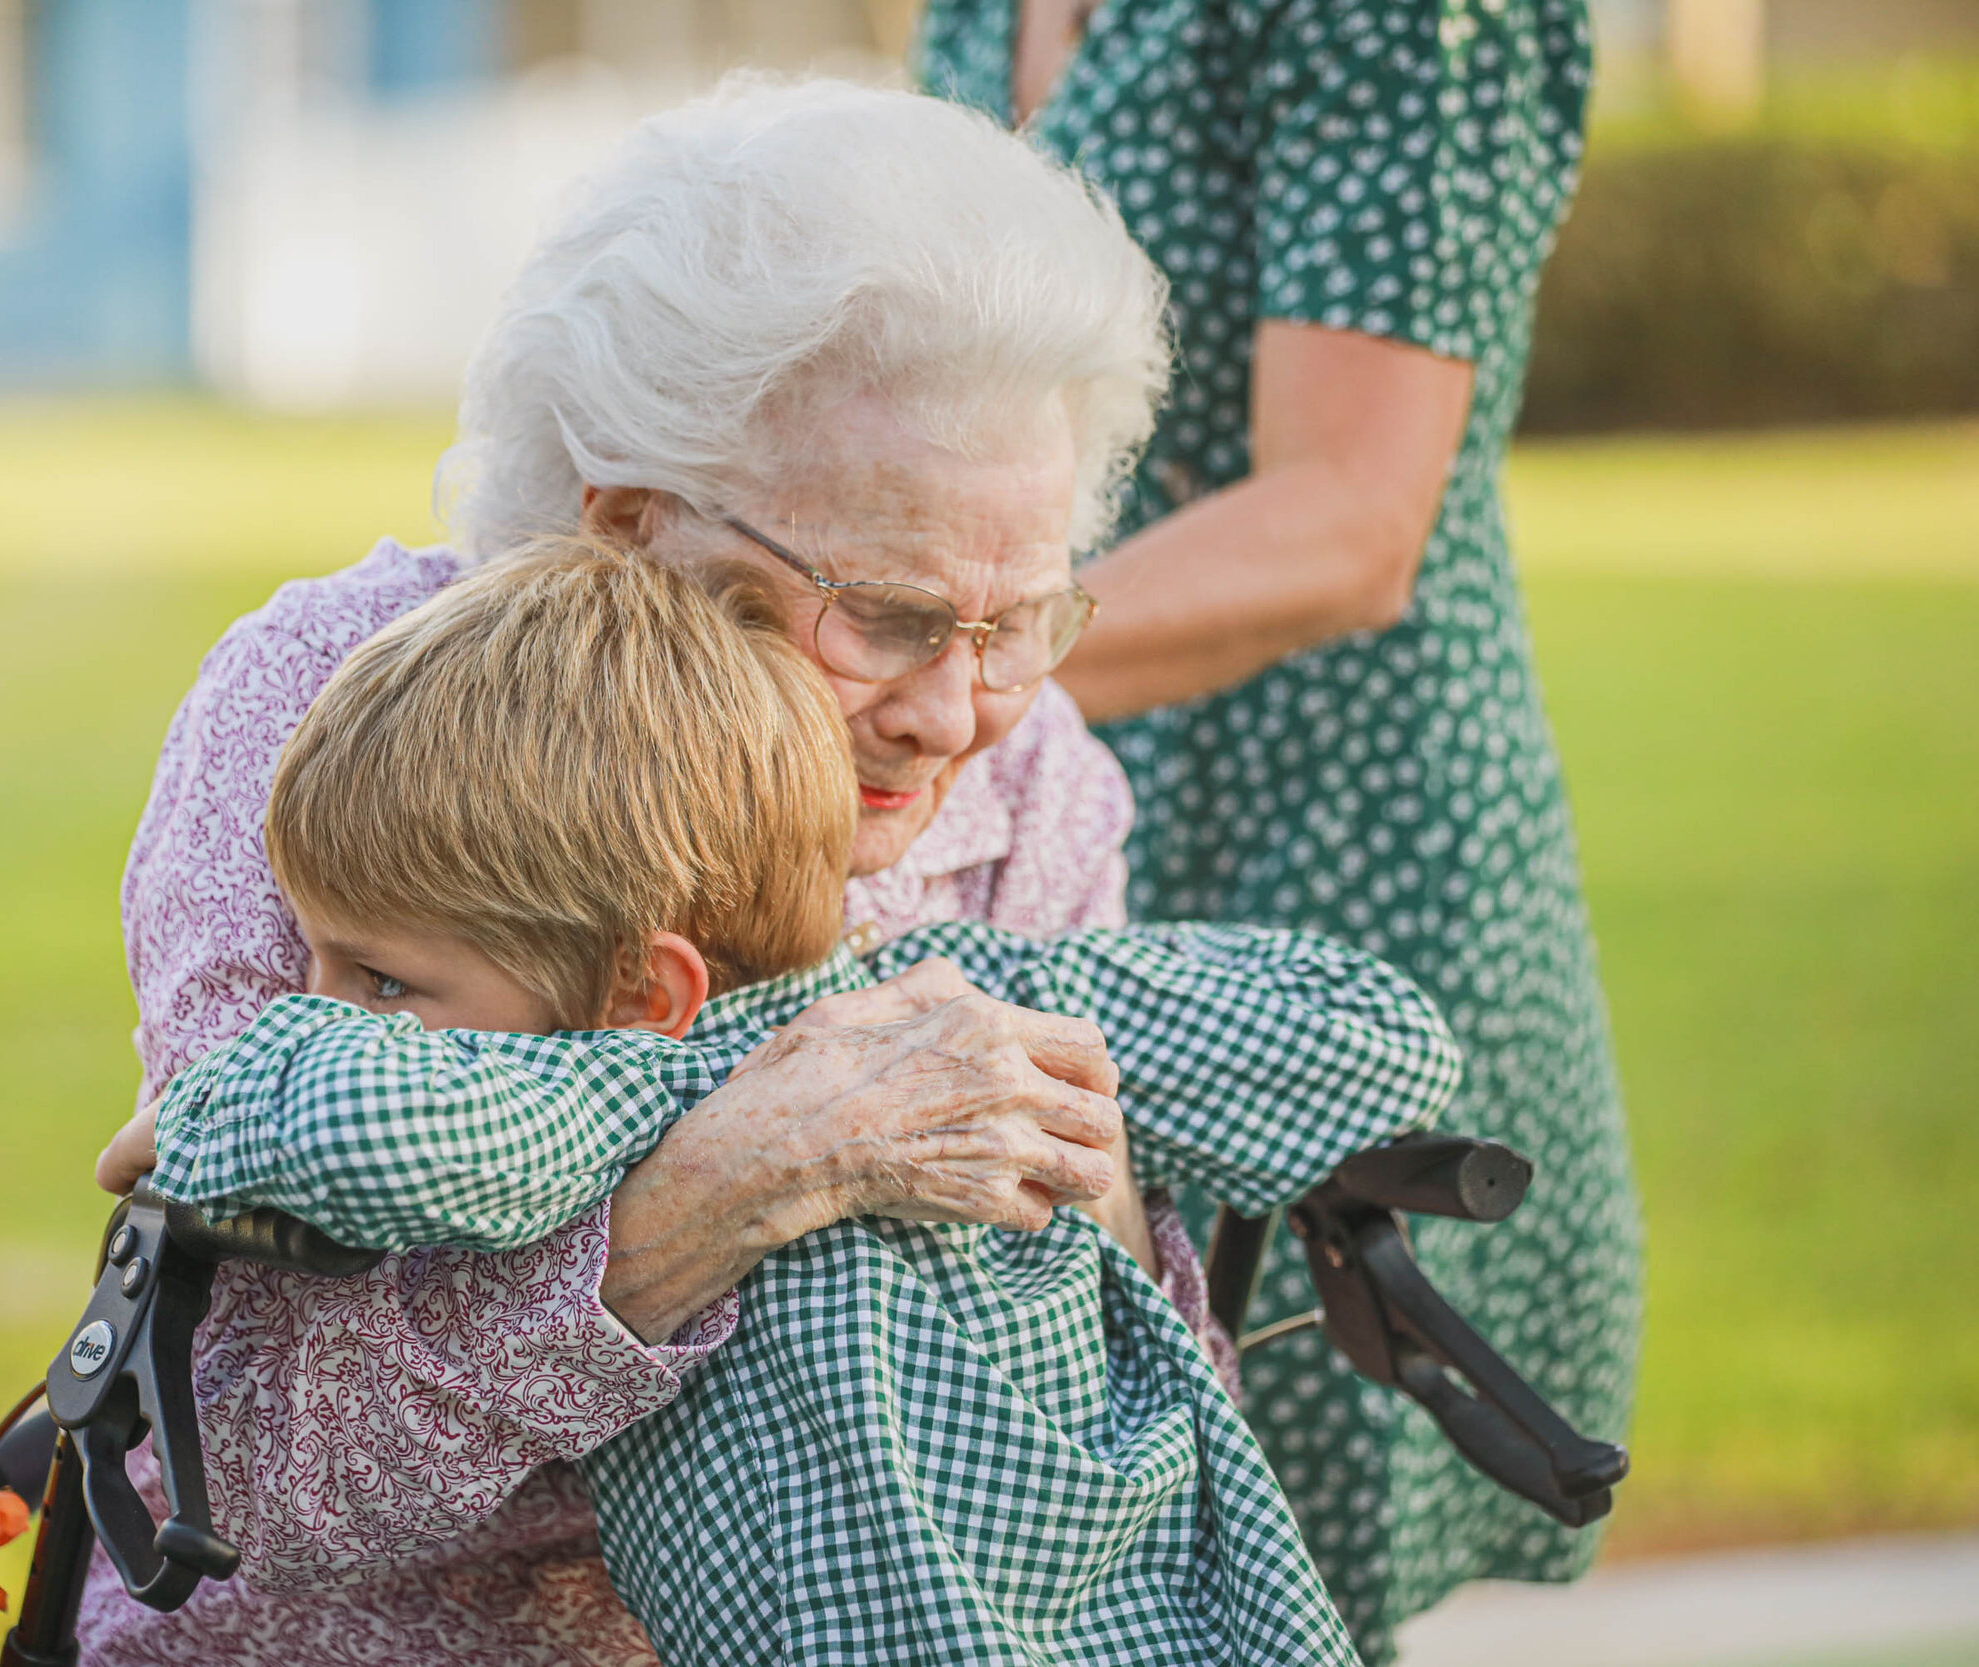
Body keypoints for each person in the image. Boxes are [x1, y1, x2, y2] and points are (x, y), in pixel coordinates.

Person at [90, 78, 1200, 1664]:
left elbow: (1119, 1413)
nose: (956, 715)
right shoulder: (335, 715)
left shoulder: (1027, 781)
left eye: (1016, 618)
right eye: (880, 614)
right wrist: (724, 1187)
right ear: (626, 525)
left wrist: (1093, 1221)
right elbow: (267, 1480)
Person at [104, 536, 1460, 1667]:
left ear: (651, 985)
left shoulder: (612, 1083)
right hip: (1188, 1602)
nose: (332, 1012)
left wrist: (210, 1115)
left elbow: (397, 1130)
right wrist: (1096, 1047)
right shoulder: (958, 995)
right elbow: (1368, 1043)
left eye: (383, 983)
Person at [916, 1, 1644, 1656]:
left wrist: (912, 666)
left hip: (1336, 831)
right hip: (1032, 819)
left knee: (1265, 1550)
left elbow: (1352, 518)